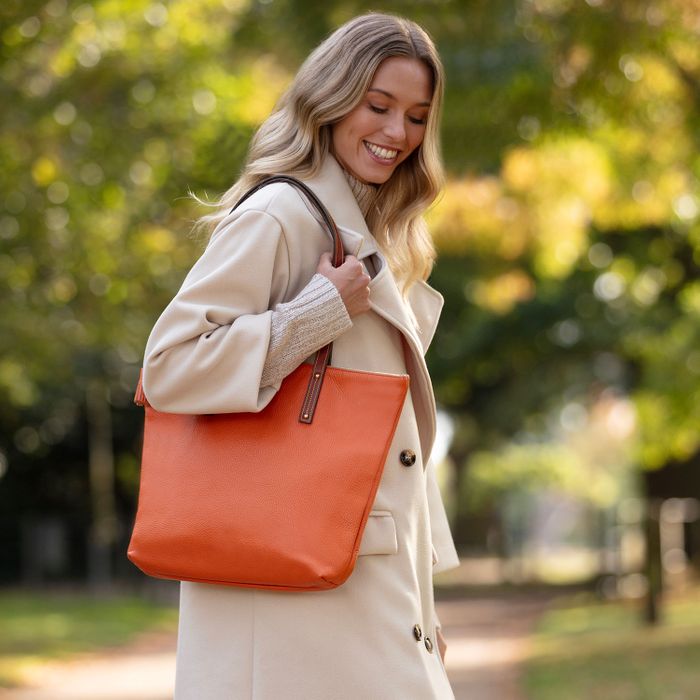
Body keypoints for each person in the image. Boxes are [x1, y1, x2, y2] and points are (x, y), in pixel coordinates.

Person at [141, 11, 460, 700]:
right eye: (378, 106)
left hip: (352, 582)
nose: (396, 133)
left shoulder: (367, 230)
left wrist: (421, 613)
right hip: (290, 586)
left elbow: (394, 454)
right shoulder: (280, 214)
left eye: (415, 116)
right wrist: (315, 313)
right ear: (330, 98)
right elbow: (169, 366)